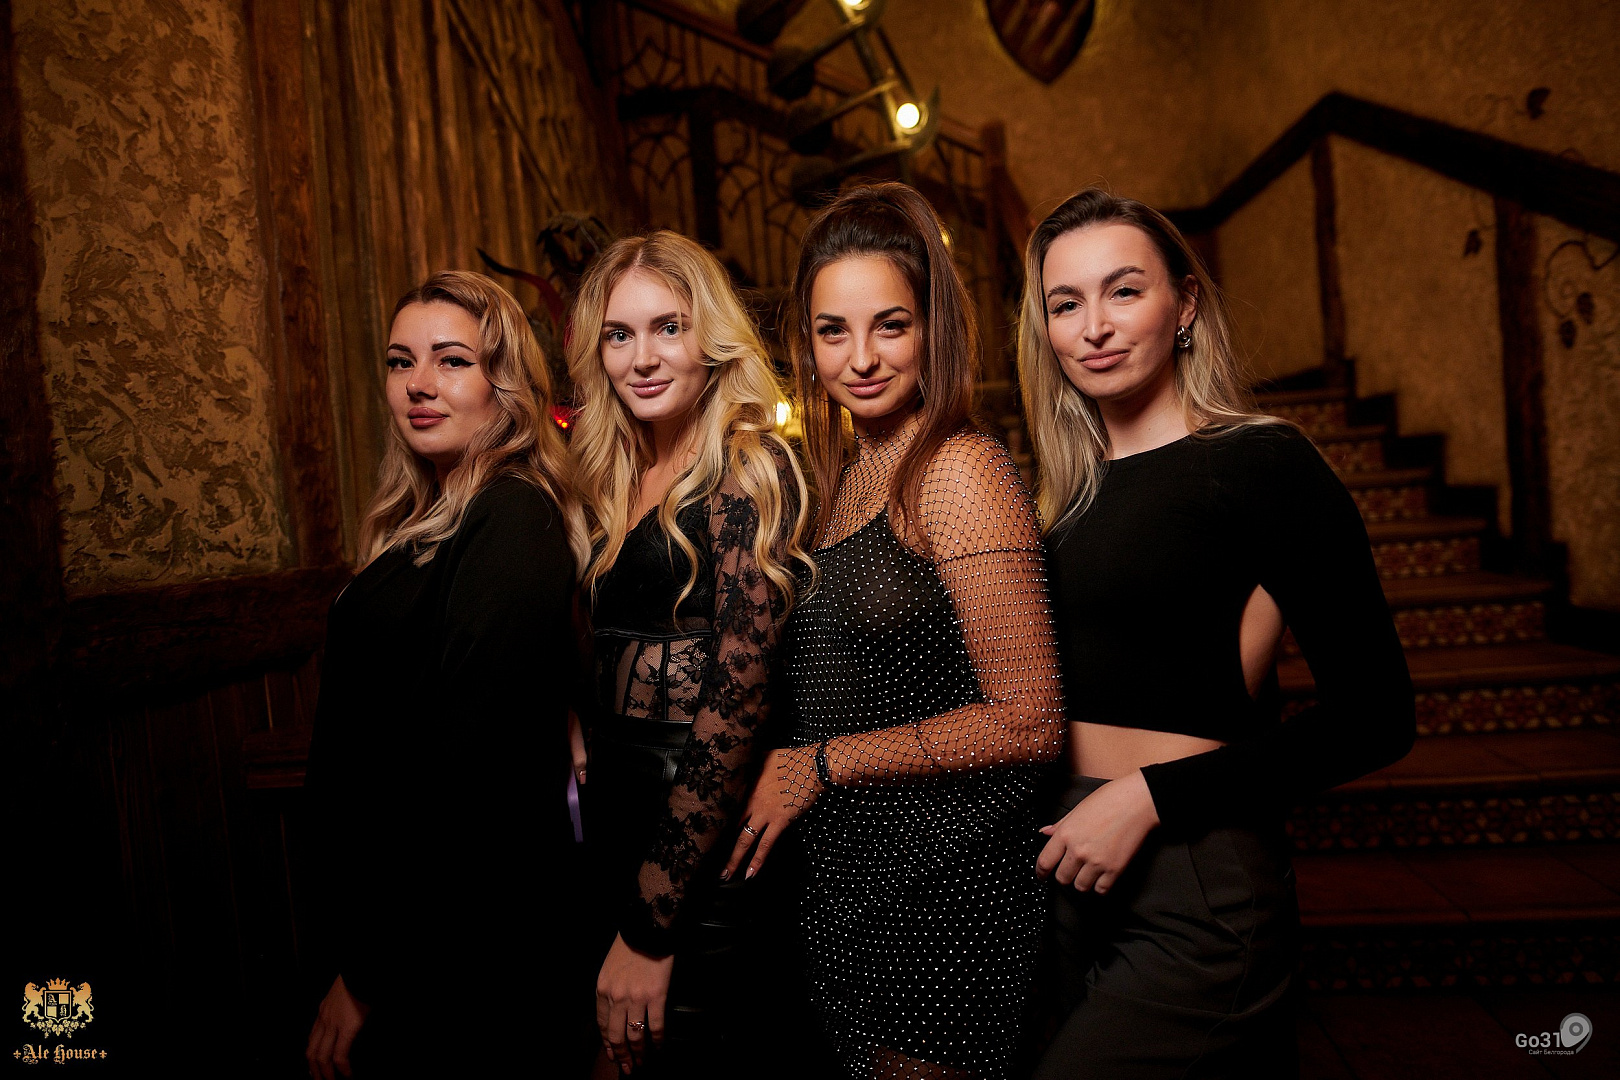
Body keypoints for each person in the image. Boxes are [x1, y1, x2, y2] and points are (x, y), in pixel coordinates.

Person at [1020, 188, 1416, 1078]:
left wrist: (1149, 797)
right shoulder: (1060, 495)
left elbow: (1376, 716)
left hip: (1191, 866)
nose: (1094, 327)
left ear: (1186, 304)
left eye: (1124, 291)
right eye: (1065, 303)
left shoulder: (1261, 462)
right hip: (1066, 860)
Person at [726, 182, 1066, 1080]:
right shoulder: (842, 477)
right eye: (833, 332)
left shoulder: (957, 470)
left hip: (947, 886)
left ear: (932, 329)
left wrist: (822, 764)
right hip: (852, 881)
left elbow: (1032, 719)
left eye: (891, 325)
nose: (862, 358)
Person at [302, 270, 591, 1079]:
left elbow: (472, 774)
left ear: (506, 386)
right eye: (401, 362)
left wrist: (368, 973)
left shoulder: (512, 514)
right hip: (403, 930)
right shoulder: (432, 516)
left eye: (452, 361)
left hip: (451, 952)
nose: (419, 384)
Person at [567, 230, 812, 1078]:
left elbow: (736, 709)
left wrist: (651, 926)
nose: (642, 358)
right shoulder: (616, 472)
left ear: (711, 337)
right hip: (619, 841)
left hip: (700, 871)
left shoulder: (749, 467)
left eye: (668, 327)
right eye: (619, 334)